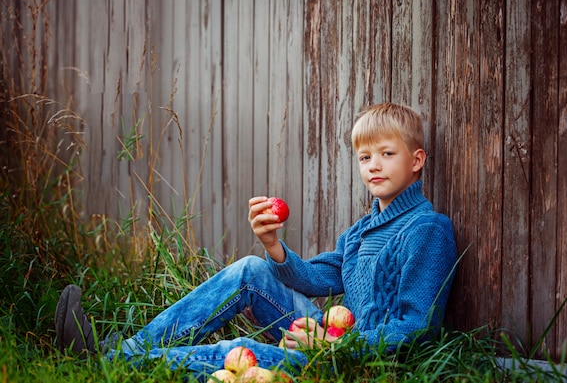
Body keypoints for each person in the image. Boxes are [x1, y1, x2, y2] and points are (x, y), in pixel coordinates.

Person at [55, 102, 457, 379]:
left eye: (387, 153)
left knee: (243, 350)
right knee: (251, 269)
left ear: (416, 160)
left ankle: (116, 363)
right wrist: (272, 245)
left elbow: (417, 329)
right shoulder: (361, 231)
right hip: (332, 340)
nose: (373, 166)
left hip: (359, 362)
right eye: (364, 157)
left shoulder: (427, 230)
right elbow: (318, 278)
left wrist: (336, 345)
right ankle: (126, 349)